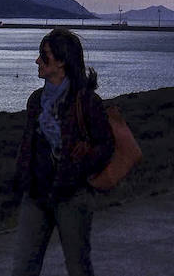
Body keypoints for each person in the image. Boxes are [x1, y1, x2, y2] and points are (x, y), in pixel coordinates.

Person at [11, 28, 115, 276]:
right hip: (36, 196)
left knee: (78, 268)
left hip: (72, 197)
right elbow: (28, 144)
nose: (37, 61)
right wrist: (21, 178)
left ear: (62, 61)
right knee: (23, 268)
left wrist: (79, 167)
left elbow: (105, 146)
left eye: (44, 56)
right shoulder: (36, 100)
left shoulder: (87, 101)